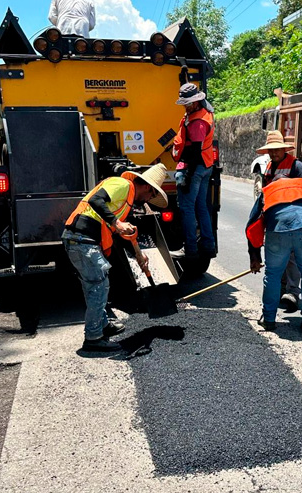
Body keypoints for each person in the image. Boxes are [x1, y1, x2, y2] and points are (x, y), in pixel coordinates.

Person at [63, 164, 169, 352]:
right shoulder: (122, 184)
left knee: (95, 285)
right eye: (152, 195)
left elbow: (124, 230)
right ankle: (93, 338)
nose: (149, 200)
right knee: (98, 286)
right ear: (147, 187)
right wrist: (116, 222)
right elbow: (96, 200)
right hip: (82, 238)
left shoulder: (126, 200)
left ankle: (103, 324)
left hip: (83, 240)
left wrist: (139, 253)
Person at [246, 175, 302, 334]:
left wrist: (255, 257)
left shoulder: (268, 189)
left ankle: (269, 319)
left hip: (278, 231)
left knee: (273, 275)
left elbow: (252, 224)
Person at [255, 130, 302, 313]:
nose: (273, 153)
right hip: (276, 220)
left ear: (284, 149)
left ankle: (292, 293)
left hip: (296, 219)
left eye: (277, 150)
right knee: (278, 261)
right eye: (271, 151)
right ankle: (279, 292)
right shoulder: (270, 167)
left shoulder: (297, 166)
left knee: (293, 258)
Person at [172, 83, 216, 260]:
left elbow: (195, 150)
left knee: (187, 208)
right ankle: (208, 245)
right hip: (205, 165)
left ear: (196, 102)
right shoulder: (204, 112)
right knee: (201, 207)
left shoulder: (198, 121)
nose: (185, 106)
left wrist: (188, 175)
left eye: (188, 103)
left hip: (195, 167)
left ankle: (190, 249)